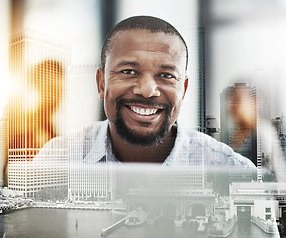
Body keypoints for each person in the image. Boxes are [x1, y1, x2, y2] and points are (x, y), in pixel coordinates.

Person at [39, 15, 255, 169]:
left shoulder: (231, 172)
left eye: (167, 75)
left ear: (184, 90)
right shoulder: (56, 162)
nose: (147, 90)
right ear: (101, 83)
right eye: (129, 71)